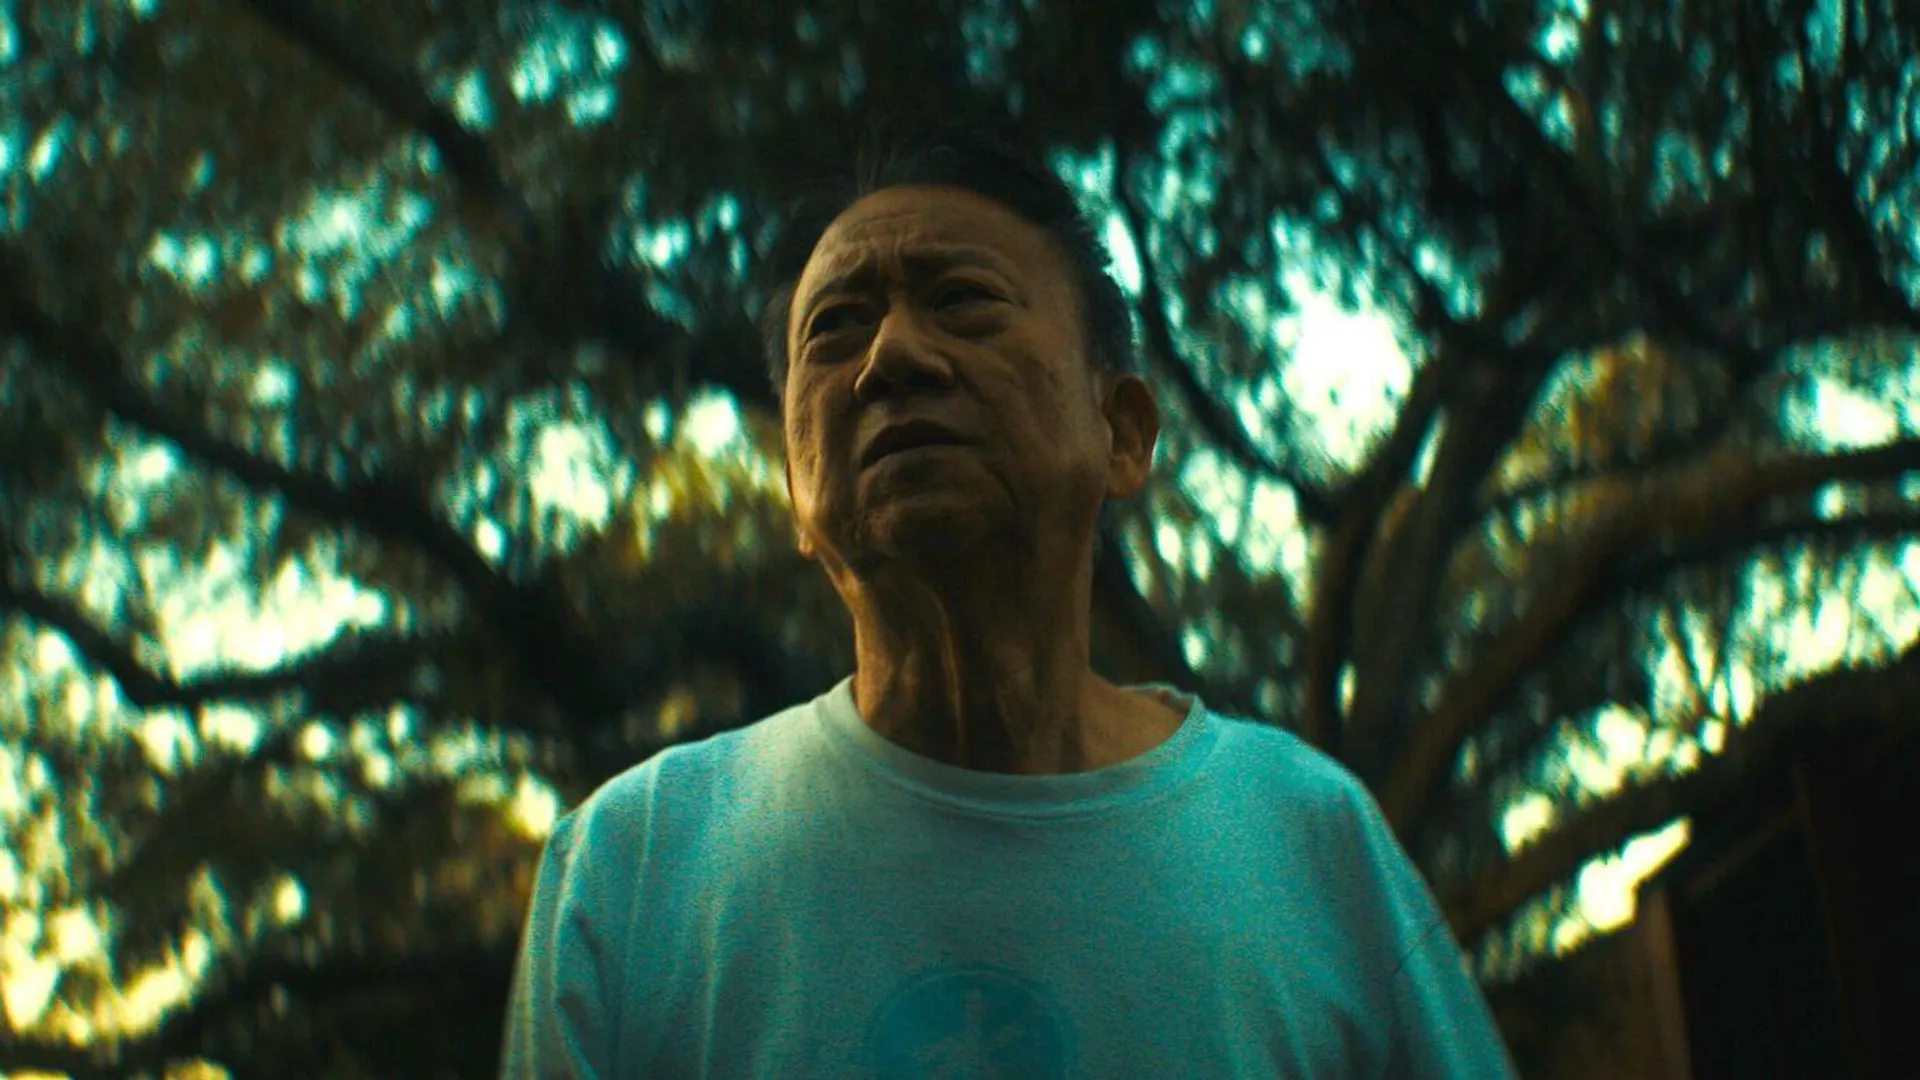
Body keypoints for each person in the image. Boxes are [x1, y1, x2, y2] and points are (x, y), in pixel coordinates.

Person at [500, 123, 1518, 1079]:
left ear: (1121, 433)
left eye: (962, 300)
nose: (892, 357)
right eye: (837, 327)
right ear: (796, 489)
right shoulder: (630, 877)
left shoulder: (1309, 842)